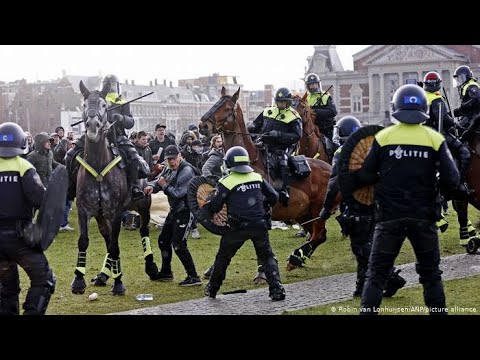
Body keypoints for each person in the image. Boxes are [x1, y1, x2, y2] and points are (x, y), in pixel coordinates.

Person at [353, 84, 459, 315]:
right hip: (424, 217)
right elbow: (453, 178)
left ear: (395, 108)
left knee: (377, 273)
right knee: (431, 274)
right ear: (424, 109)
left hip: (389, 218)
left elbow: (366, 174)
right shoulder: (434, 138)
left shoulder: (384, 136)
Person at [319, 116, 406, 297]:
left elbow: (334, 183)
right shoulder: (375, 148)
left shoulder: (341, 153)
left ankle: (389, 275)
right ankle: (361, 286)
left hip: (357, 205)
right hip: (378, 205)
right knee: (369, 244)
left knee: (361, 247)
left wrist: (326, 208)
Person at [204, 146, 285, 301]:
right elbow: (274, 197)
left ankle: (212, 289)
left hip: (237, 228)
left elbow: (215, 207)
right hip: (259, 225)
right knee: (267, 257)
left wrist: (209, 203)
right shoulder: (257, 177)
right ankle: (277, 290)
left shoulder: (226, 182)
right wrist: (262, 205)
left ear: (228, 163)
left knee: (223, 258)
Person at [0, 122, 56, 315]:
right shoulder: (24, 167)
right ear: (22, 142)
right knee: (44, 279)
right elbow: (41, 199)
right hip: (20, 237)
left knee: (7, 287)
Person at [68, 74, 146, 201]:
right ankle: (71, 188)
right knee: (70, 155)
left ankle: (134, 186)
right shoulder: (97, 100)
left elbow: (130, 122)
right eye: (109, 86)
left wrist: (121, 118)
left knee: (133, 156)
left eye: (113, 85)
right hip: (96, 134)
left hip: (118, 136)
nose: (111, 89)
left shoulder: (122, 102)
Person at [144, 145, 202, 286]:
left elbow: (177, 193)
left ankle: (193, 276)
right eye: (169, 159)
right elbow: (160, 180)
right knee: (163, 240)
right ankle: (166, 272)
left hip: (186, 211)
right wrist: (152, 186)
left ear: (180, 156)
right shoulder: (168, 168)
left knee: (179, 244)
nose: (171, 162)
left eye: (174, 159)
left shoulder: (186, 171)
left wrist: (163, 185)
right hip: (175, 210)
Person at [248, 87, 302, 206]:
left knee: (282, 161)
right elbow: (255, 125)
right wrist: (250, 127)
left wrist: (279, 135)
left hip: (282, 147)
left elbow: (297, 135)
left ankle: (284, 190)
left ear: (288, 102)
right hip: (264, 144)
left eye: (283, 102)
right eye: (278, 102)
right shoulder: (268, 111)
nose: (280, 104)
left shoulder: (294, 116)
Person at [304, 73, 338, 159]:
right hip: (311, 129)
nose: (313, 87)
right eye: (310, 85)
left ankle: (335, 162)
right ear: (307, 86)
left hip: (326, 129)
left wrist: (315, 112)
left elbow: (333, 111)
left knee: (333, 146)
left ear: (318, 84)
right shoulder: (305, 99)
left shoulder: (325, 97)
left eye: (314, 84)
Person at [453, 65, 480, 133]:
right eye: (458, 79)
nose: (459, 80)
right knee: (455, 127)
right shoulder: (465, 86)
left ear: (467, 77)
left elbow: (473, 100)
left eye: (461, 78)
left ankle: (462, 143)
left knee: (458, 129)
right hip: (469, 114)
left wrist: (459, 110)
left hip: (474, 115)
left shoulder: (472, 86)